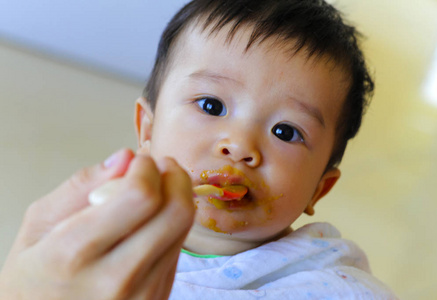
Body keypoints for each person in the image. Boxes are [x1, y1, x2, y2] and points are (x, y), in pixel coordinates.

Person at [0, 0, 398, 299]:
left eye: (285, 131)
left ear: (318, 190)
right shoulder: (97, 237)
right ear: (148, 130)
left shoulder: (329, 285)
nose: (240, 147)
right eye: (212, 106)